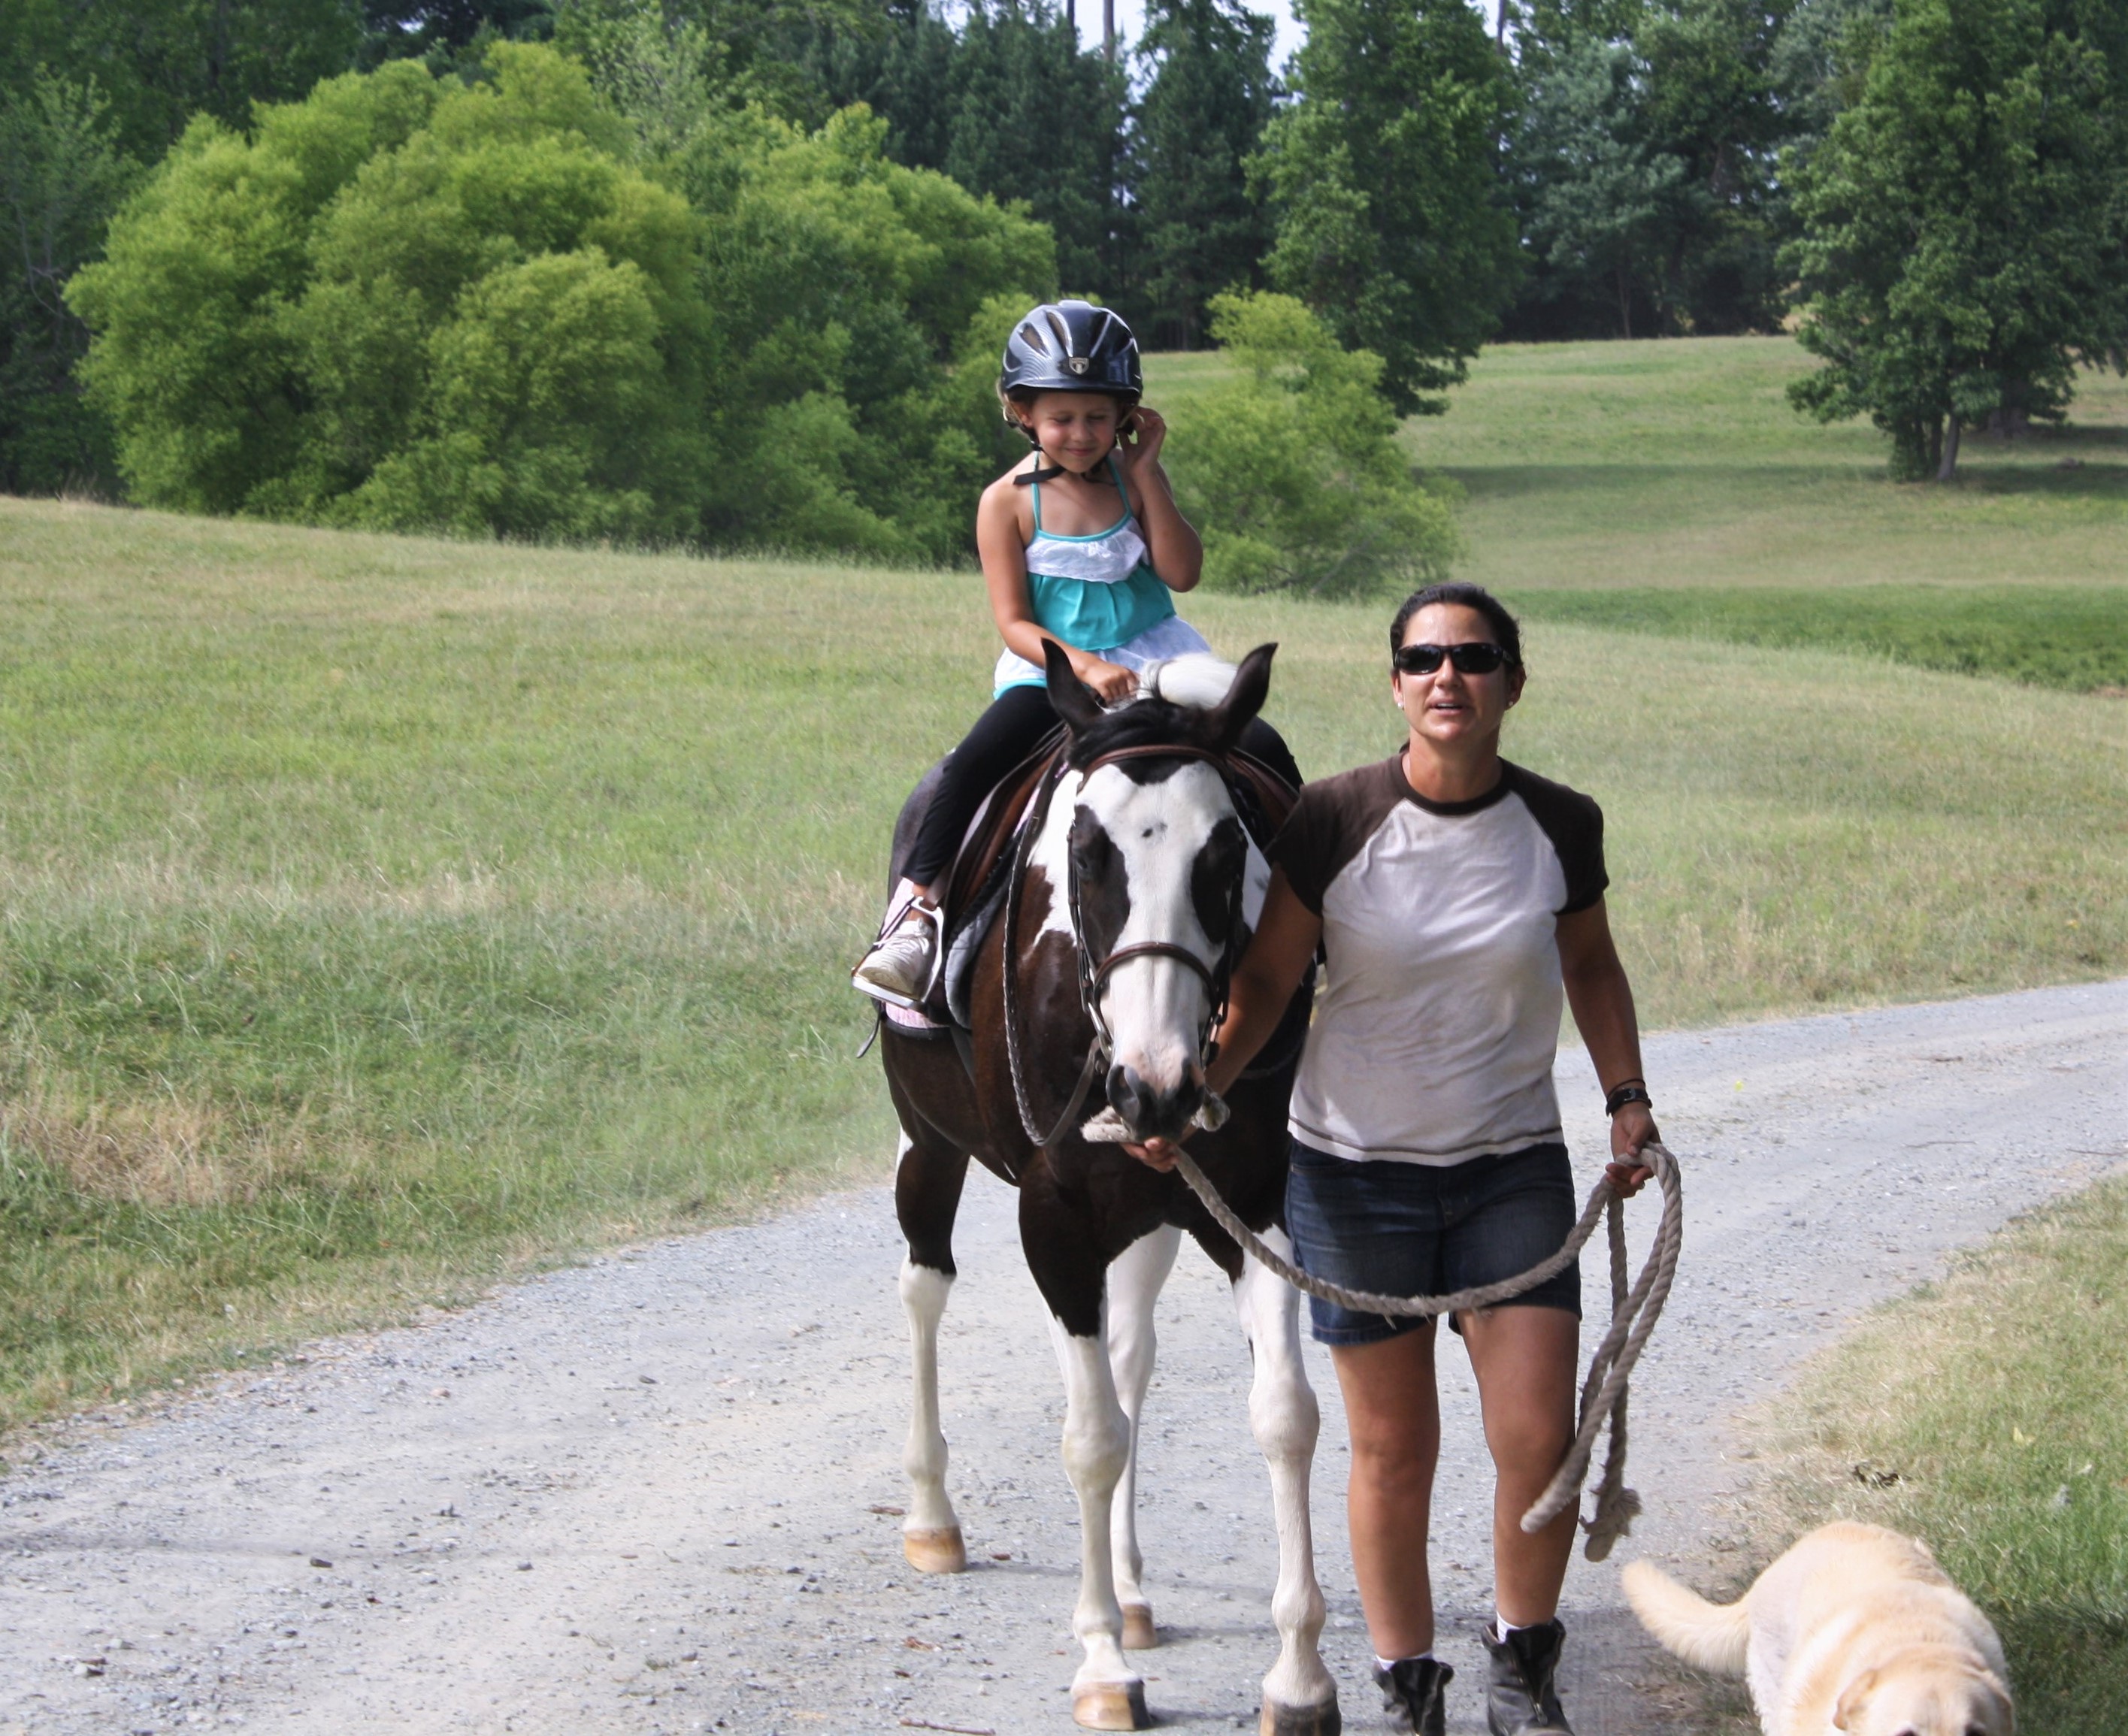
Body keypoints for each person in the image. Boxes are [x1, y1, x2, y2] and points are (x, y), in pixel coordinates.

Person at [1128, 582, 1658, 1736]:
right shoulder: (1330, 816)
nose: (1446, 678)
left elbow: (1592, 966)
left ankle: (1522, 1668)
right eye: (1422, 659)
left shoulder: (1561, 823)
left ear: (1512, 680)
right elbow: (1267, 981)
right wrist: (1199, 1095)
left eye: (1472, 657)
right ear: (1394, 685)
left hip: (1509, 1168)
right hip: (1355, 1174)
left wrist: (1624, 1099)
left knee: (1537, 1438)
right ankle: (1406, 1680)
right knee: (1391, 1446)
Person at [852, 299, 1297, 1006]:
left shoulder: (1134, 481)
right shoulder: (1005, 502)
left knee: (1262, 745)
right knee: (966, 770)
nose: (1081, 434)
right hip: (1052, 669)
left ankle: (1307, 911)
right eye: (1061, 418)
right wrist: (1083, 667)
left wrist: (1147, 472)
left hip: (1157, 664)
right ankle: (915, 915)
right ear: (1021, 412)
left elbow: (1182, 573)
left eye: (1098, 416)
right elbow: (1013, 621)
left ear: (1126, 414)